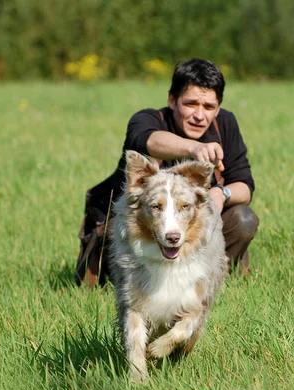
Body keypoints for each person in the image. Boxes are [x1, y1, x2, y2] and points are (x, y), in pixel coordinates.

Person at [75, 58, 259, 288]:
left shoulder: (226, 124)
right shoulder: (147, 120)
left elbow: (245, 186)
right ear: (172, 100)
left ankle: (207, 280)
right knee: (124, 226)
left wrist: (220, 193)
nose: (200, 115)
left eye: (209, 107)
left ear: (218, 108)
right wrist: (194, 148)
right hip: (133, 241)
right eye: (191, 104)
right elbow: (148, 141)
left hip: (189, 230)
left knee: (244, 219)